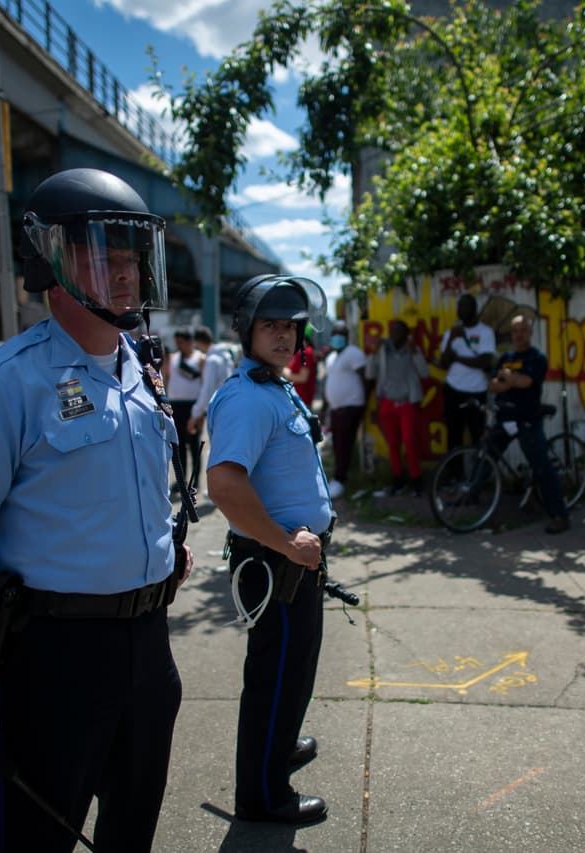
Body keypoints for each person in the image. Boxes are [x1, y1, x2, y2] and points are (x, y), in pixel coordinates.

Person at [0, 167, 191, 853]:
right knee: (37, 838)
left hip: (147, 647)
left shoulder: (141, 368)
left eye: (132, 256)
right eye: (104, 253)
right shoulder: (6, 380)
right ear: (52, 262)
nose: (125, 274)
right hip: (52, 660)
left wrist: (164, 549)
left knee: (132, 831)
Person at [206, 274, 333, 826]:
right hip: (277, 560)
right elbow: (226, 486)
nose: (283, 336)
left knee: (295, 668)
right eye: (270, 326)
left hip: (297, 559)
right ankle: (262, 796)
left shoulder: (275, 385)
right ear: (247, 331)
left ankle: (277, 747)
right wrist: (285, 541)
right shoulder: (250, 398)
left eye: (290, 326)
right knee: (275, 677)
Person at [486, 315, 570, 533]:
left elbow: (526, 383)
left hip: (527, 420)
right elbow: (494, 386)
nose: (518, 334)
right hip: (505, 417)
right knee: (486, 454)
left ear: (530, 333)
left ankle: (559, 515)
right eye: (515, 330)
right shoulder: (506, 357)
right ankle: (468, 495)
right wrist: (510, 381)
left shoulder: (537, 358)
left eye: (523, 330)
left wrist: (509, 379)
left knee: (542, 466)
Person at [366, 318, 429, 496]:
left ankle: (417, 480)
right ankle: (398, 480)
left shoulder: (412, 350)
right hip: (387, 402)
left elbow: (425, 373)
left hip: (407, 403)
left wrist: (415, 352)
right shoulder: (383, 350)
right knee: (393, 443)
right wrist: (373, 353)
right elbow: (370, 373)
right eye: (392, 330)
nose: (393, 334)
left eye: (398, 331)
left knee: (410, 441)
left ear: (406, 334)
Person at [438, 294, 495, 454]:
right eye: (459, 306)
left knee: (478, 435)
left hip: (476, 392)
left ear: (474, 309)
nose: (462, 310)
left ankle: (479, 477)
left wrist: (457, 358)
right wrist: (451, 341)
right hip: (453, 390)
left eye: (465, 306)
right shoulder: (452, 333)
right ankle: (455, 476)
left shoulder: (485, 332)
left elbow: (483, 361)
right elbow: (444, 364)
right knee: (453, 436)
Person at [322, 321, 368, 499]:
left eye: (340, 333)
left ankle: (341, 480)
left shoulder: (354, 354)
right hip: (335, 408)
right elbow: (329, 382)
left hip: (351, 405)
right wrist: (325, 407)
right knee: (338, 444)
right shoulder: (331, 357)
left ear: (347, 336)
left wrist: (364, 403)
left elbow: (365, 378)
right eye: (334, 333)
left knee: (345, 444)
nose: (337, 337)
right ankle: (338, 479)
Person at [165, 327, 204, 489]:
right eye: (177, 342)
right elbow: (165, 378)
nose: (178, 345)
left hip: (193, 406)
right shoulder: (173, 358)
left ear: (190, 341)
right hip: (176, 406)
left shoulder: (201, 359)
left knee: (194, 445)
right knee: (178, 445)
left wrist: (201, 411)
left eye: (181, 342)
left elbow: (205, 384)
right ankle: (181, 480)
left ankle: (195, 481)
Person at [187, 325, 234, 442]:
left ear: (198, 342)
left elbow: (207, 389)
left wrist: (195, 413)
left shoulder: (212, 360)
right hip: (229, 406)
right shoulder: (226, 357)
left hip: (217, 409)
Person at [283, 330, 317, 408]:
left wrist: (283, 372)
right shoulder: (297, 352)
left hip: (303, 401)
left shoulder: (307, 352)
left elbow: (303, 378)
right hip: (295, 400)